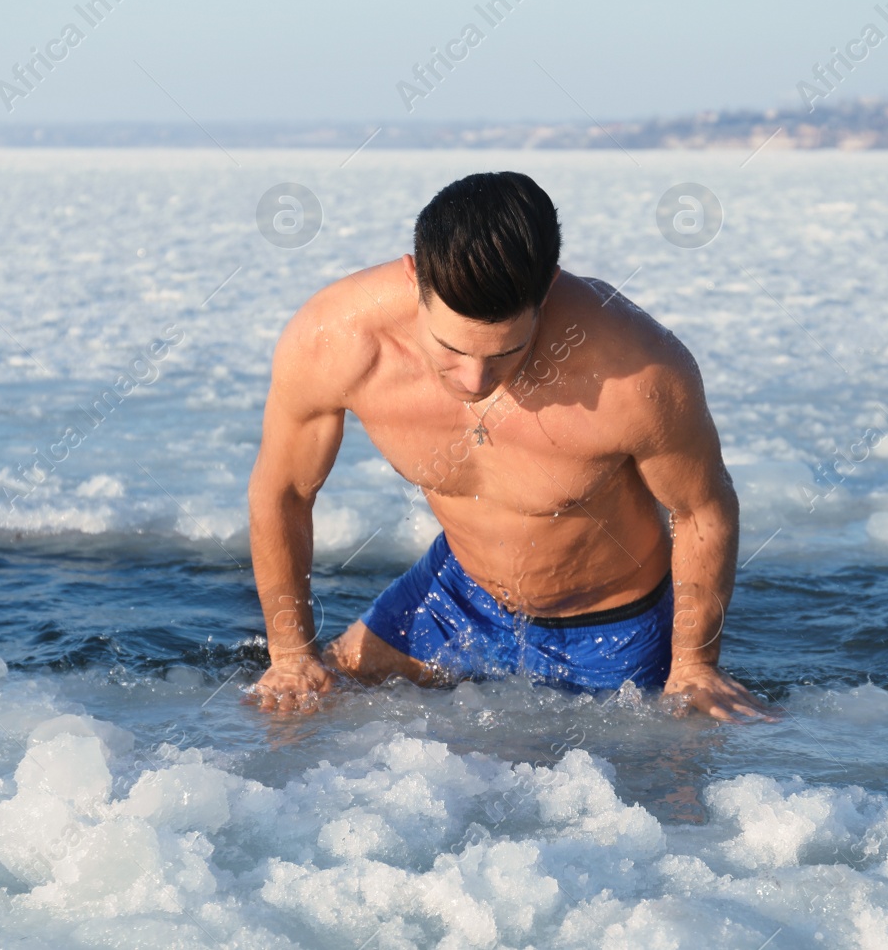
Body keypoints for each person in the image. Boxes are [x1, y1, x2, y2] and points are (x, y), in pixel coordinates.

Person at [247, 171, 773, 720]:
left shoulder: (636, 375)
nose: (476, 381)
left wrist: (694, 665)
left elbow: (702, 511)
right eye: (450, 349)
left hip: (610, 627)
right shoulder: (335, 342)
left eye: (505, 353)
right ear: (414, 278)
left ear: (546, 290)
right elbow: (282, 492)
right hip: (456, 593)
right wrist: (289, 654)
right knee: (307, 710)